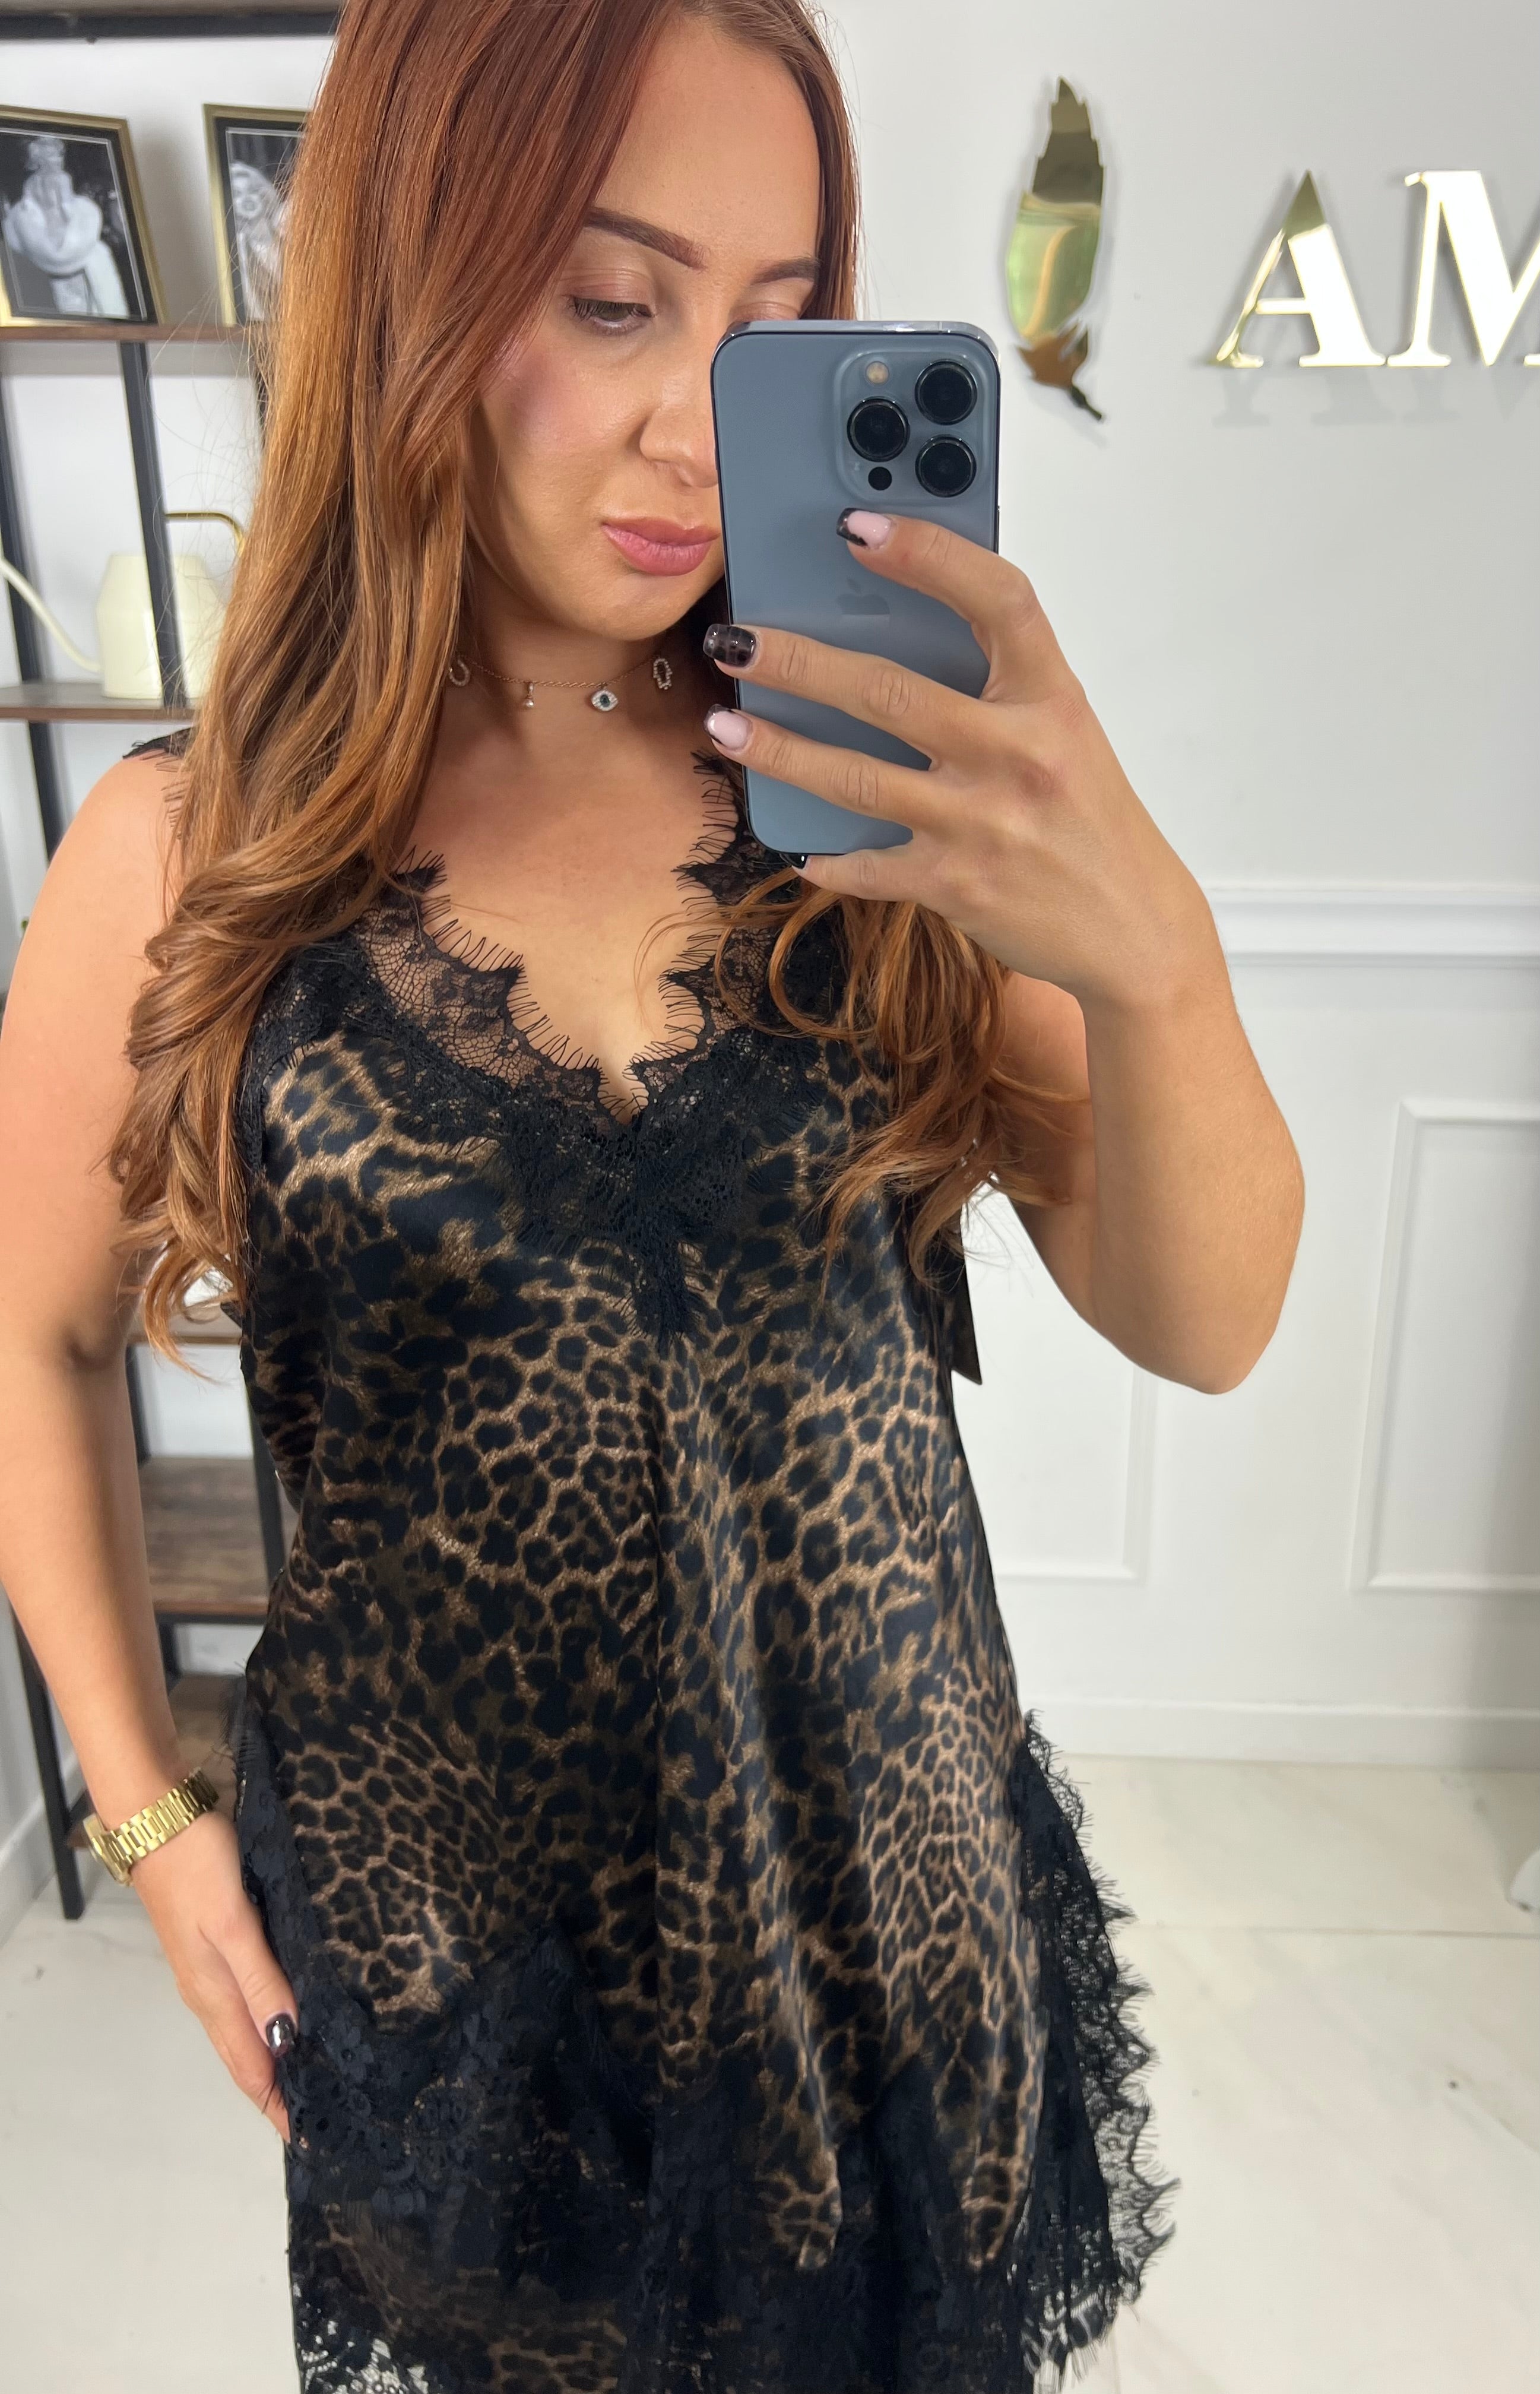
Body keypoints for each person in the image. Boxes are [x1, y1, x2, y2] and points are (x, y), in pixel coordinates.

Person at [0, 2, 1304, 2388]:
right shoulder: (185, 858)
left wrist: (1156, 957)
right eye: (612, 300)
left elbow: (1206, 1321)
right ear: (409, 282)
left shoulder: (887, 797)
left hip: (891, 1948)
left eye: (777, 325)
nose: (702, 423)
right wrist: (143, 1814)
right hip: (467, 1995)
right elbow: (34, 1330)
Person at [2, 132, 130, 318]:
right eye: (52, 155)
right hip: (61, 247)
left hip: (57, 252)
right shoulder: (60, 180)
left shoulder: (35, 184)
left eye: (59, 154)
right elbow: (63, 211)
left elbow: (37, 209)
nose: (58, 159)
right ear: (38, 159)